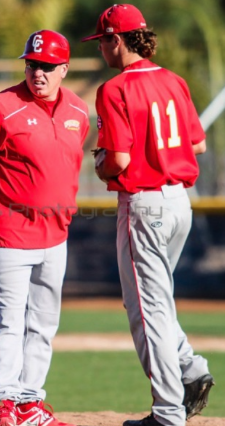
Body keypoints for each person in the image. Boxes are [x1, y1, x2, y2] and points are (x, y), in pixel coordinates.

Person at [81, 4, 214, 426]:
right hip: (179, 202)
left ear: (116, 40)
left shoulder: (115, 88)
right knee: (152, 302)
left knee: (148, 309)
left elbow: (117, 160)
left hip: (145, 205)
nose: (101, 48)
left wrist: (99, 161)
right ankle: (190, 370)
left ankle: (168, 412)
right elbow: (197, 146)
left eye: (103, 40)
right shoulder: (173, 80)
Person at [0, 29, 89, 426]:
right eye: (31, 65)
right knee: (8, 319)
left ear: (64, 68)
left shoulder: (78, 112)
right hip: (7, 230)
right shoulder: (0, 107)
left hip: (56, 233)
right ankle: (5, 401)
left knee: (44, 323)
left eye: (46, 66)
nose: (38, 73)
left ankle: (30, 401)